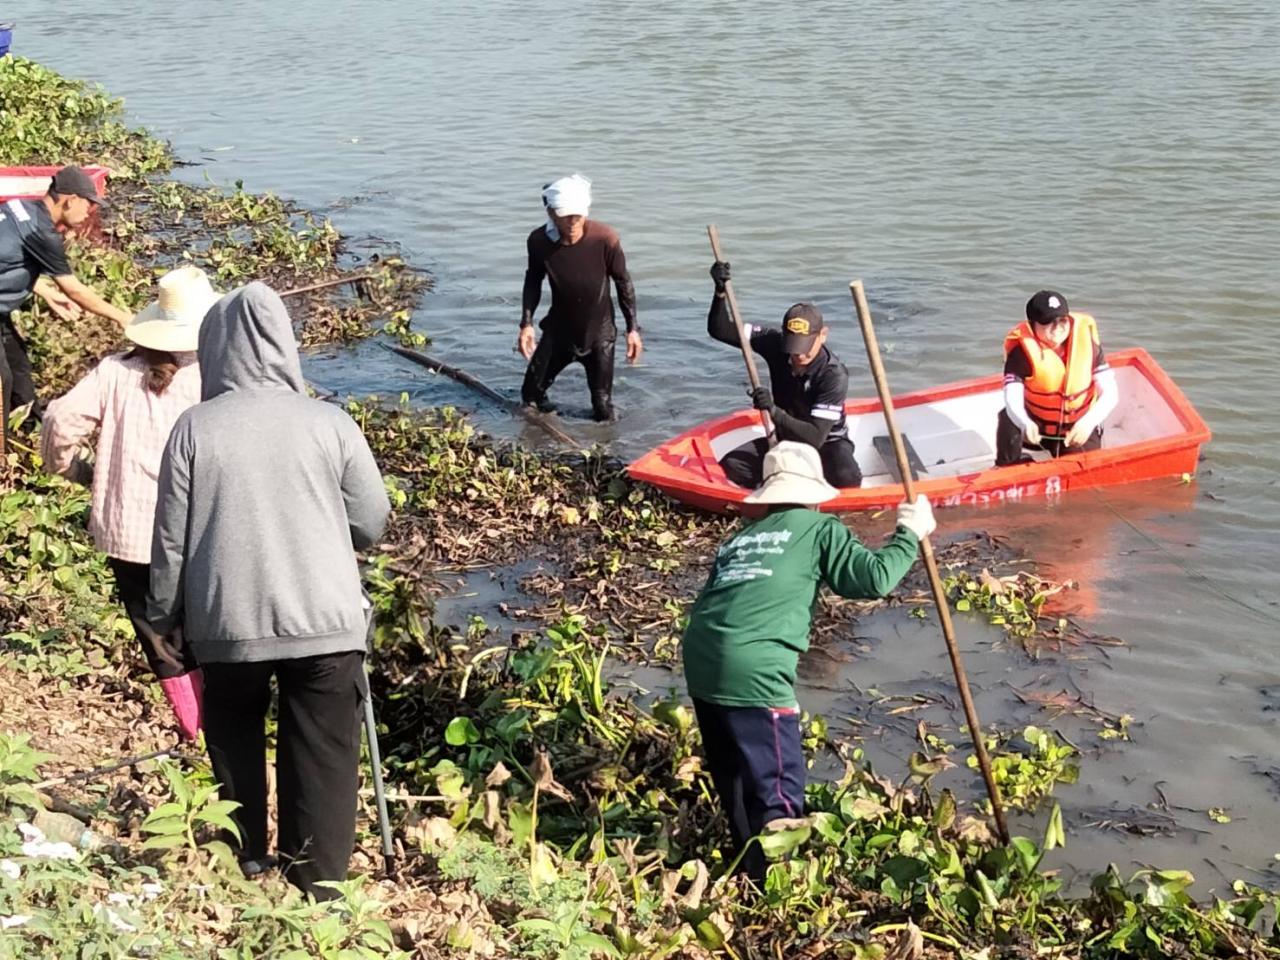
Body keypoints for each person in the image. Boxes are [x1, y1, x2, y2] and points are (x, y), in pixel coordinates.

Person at [147, 281, 390, 898]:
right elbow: (372, 523)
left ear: (214, 350)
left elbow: (170, 543)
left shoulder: (192, 429)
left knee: (234, 735)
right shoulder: (330, 422)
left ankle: (248, 855)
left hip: (227, 624)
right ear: (284, 345)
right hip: (327, 622)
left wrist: (164, 613)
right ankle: (320, 880)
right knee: (326, 750)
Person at [682, 441, 934, 882]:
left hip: (702, 658)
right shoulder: (820, 530)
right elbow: (874, 579)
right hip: (753, 669)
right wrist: (909, 533)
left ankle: (748, 868)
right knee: (777, 782)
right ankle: (779, 885)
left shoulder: (741, 537)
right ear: (815, 496)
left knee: (736, 779)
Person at [39, 266, 218, 741]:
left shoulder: (117, 372)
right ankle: (220, 731)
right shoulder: (212, 378)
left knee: (159, 638)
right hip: (195, 529)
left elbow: (60, 419)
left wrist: (74, 469)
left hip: (131, 531)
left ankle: (192, 730)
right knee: (200, 627)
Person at [707, 261, 861, 489]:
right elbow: (720, 329)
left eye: (805, 346)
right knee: (733, 465)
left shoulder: (833, 375)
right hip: (785, 437)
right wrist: (719, 291)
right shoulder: (774, 343)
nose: (798, 355)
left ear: (823, 335)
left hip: (827, 443)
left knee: (847, 477)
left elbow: (815, 436)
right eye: (793, 346)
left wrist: (772, 410)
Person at [0, 165, 133, 427]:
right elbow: (74, 289)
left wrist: (44, 290)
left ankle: (30, 429)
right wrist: (122, 316)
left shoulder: (19, 209)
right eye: (88, 204)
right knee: (2, 380)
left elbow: (8, 258)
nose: (90, 212)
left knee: (18, 368)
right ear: (70, 200)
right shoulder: (43, 232)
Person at [517, 173, 642, 422]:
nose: (573, 222)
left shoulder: (605, 239)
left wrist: (633, 329)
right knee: (529, 396)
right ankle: (541, 436)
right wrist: (526, 324)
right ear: (552, 213)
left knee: (602, 408)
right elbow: (533, 281)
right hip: (559, 333)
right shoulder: (539, 242)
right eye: (566, 216)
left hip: (599, 336)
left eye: (578, 215)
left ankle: (607, 451)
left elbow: (623, 283)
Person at [995, 290, 1119, 466]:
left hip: (1075, 430)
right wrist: (1025, 423)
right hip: (1034, 430)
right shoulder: (1021, 354)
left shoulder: (1088, 347)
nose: (1058, 327)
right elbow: (1012, 397)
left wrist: (1088, 423)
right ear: (1032, 325)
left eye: (1062, 320)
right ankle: (1006, 467)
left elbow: (1110, 393)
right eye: (1048, 322)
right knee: (1008, 417)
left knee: (1082, 471)